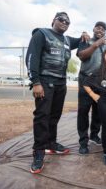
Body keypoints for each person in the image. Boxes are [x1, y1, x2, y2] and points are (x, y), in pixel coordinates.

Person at [26, 12, 81, 174]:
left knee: (55, 115)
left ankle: (51, 143)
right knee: (42, 116)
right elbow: (32, 57)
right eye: (61, 20)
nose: (64, 22)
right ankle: (38, 151)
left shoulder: (67, 40)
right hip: (44, 82)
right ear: (53, 21)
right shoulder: (41, 34)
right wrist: (35, 82)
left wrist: (85, 35)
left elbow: (80, 41)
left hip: (60, 84)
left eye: (67, 22)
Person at [76, 21, 106, 154]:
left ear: (105, 32)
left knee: (99, 110)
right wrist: (96, 44)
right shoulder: (86, 40)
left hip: (100, 82)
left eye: (103, 28)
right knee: (83, 111)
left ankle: (94, 135)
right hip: (86, 79)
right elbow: (82, 56)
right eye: (98, 27)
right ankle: (83, 142)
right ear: (93, 29)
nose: (100, 29)